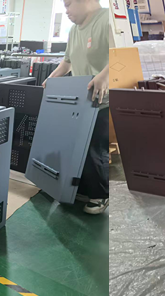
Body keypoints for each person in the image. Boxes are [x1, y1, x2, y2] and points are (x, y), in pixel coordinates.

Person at [45, 0, 112, 214]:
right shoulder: (74, 30)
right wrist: (52, 79)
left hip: (102, 99)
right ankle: (83, 188)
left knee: (95, 148)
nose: (66, 11)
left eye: (69, 5)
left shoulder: (107, 20)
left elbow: (122, 54)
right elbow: (67, 62)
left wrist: (104, 75)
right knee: (77, 146)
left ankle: (101, 194)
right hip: (80, 99)